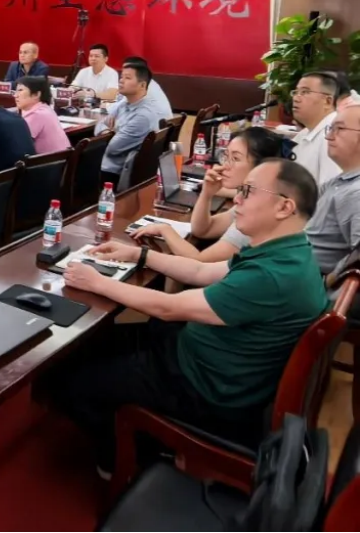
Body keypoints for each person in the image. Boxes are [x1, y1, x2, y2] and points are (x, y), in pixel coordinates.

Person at [49, 159, 327, 475]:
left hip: (203, 388)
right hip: (207, 359)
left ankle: (124, 463)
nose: (236, 198)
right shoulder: (288, 251)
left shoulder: (272, 276)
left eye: (248, 191)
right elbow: (200, 271)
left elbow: (170, 307)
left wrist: (97, 282)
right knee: (96, 341)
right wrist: (140, 254)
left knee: (73, 384)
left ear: (284, 207)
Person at [130, 128, 283, 262]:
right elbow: (204, 230)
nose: (225, 165)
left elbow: (200, 262)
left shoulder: (257, 212)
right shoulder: (252, 196)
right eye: (226, 156)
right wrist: (207, 193)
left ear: (261, 167)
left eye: (235, 159)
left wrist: (165, 229)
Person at [308, 100, 360, 277]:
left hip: (311, 283)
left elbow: (357, 259)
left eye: (339, 129)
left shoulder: (356, 193)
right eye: (330, 129)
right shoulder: (338, 182)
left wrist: (326, 284)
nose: (329, 136)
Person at [97, 63, 165, 186]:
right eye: (121, 77)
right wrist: (108, 131)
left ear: (142, 85)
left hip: (113, 172)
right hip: (104, 163)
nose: (121, 81)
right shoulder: (124, 103)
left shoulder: (143, 115)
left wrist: (112, 130)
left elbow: (112, 148)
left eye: (127, 78)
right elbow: (100, 124)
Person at [290, 71, 342, 186]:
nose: (296, 98)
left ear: (327, 101)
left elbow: (332, 190)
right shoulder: (304, 133)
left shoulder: (333, 137)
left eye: (305, 92)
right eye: (296, 92)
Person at [14, 75, 71, 154]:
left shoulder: (37, 115)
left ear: (36, 94)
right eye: (15, 91)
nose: (15, 95)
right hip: (61, 158)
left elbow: (18, 142)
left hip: (52, 160)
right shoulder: (45, 108)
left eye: (20, 90)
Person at [107, 56, 174, 119]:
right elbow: (118, 101)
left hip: (156, 123)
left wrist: (108, 109)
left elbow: (114, 109)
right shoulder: (146, 82)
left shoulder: (141, 85)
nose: (122, 78)